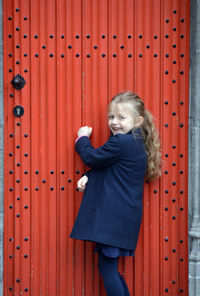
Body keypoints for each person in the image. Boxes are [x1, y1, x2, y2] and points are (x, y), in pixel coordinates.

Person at [70, 91, 161, 296]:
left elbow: (92, 157)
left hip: (110, 218)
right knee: (108, 267)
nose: (114, 122)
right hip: (122, 218)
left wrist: (82, 138)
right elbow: (112, 167)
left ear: (138, 121)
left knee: (107, 268)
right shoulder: (135, 143)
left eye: (121, 117)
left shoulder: (121, 143)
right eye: (111, 116)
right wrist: (90, 176)